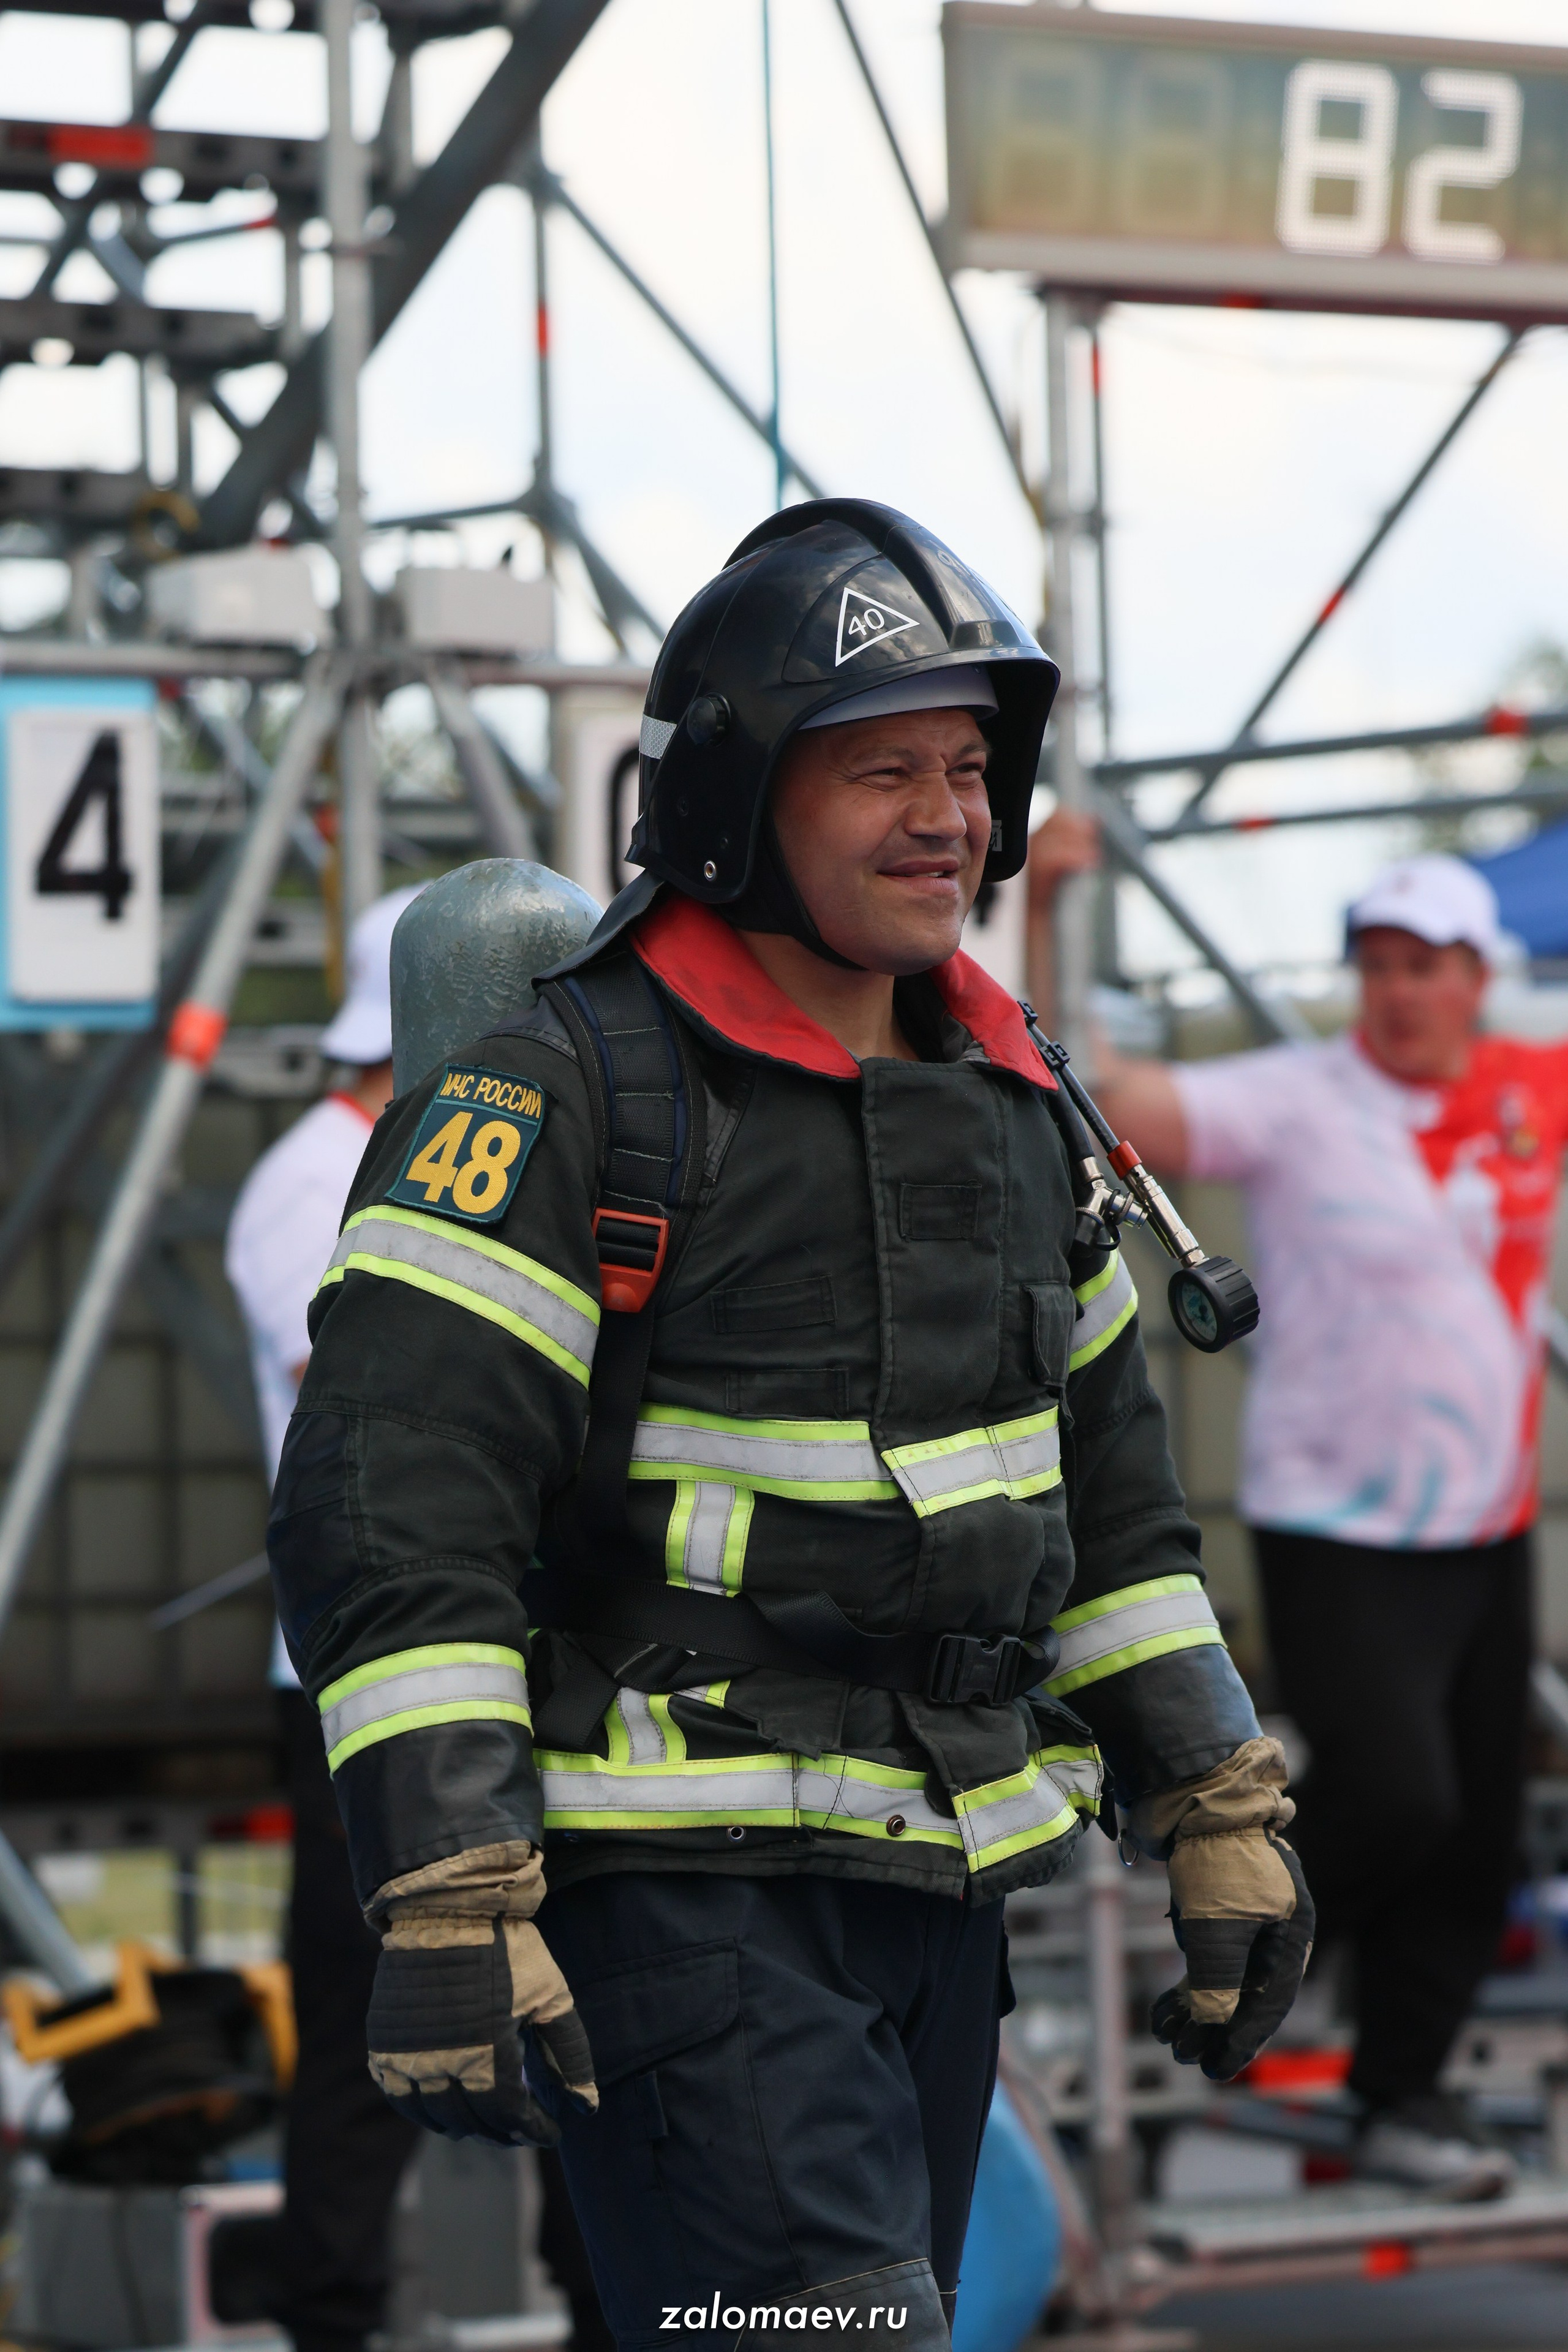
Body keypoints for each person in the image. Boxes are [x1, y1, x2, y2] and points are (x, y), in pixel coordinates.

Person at [268, 500, 1312, 2348]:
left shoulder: (1012, 1104)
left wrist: (1213, 1800)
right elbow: (395, 1501)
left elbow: (1112, 1514)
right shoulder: (562, 1096)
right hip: (683, 1902)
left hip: (934, 1889)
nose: (949, 814)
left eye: (971, 765)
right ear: (740, 804)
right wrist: (448, 1878)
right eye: (883, 768)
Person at [1058, 842, 1559, 2201]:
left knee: (1473, 1837)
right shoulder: (1293, 1097)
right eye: (1375, 966)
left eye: (1424, 967)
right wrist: (1044, 906)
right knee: (1394, 1798)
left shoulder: (1530, 1086)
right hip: (1332, 1524)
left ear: (1476, 981)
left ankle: (1394, 2095)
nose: (1395, 992)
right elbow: (1094, 1103)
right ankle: (1224, 1953)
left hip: (1483, 1521)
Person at [227, 885, 612, 2352]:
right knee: (373, 2016)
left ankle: (605, 2304)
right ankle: (331, 2312)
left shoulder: (485, 1141)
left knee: (588, 2007)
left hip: (522, 1657)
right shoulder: (316, 1173)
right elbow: (384, 1381)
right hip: (370, 1670)